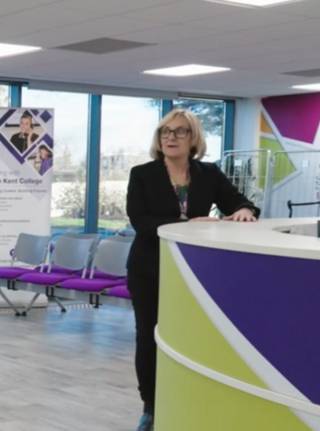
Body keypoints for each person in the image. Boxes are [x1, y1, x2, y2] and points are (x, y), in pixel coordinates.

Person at [125, 109, 258, 431]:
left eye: (180, 131)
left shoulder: (208, 173)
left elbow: (242, 203)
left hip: (192, 270)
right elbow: (140, 221)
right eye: (165, 132)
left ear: (194, 138)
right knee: (149, 336)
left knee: (187, 339)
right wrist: (187, 223)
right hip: (148, 268)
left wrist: (242, 210)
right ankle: (152, 407)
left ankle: (185, 399)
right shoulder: (143, 174)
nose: (170, 137)